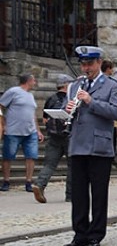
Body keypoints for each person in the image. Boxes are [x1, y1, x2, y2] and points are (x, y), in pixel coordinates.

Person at [62, 46, 117, 246]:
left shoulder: (112, 86)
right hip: (78, 143)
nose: (86, 68)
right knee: (78, 193)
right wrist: (66, 109)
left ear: (99, 63)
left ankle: (96, 233)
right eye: (83, 64)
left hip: (99, 145)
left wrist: (91, 101)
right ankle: (79, 233)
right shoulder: (75, 85)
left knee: (98, 193)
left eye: (89, 64)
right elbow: (67, 109)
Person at [32, 74, 75, 203]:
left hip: (53, 136)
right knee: (72, 166)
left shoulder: (50, 99)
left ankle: (39, 184)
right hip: (69, 137)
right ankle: (70, 195)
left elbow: (45, 119)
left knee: (49, 164)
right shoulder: (71, 99)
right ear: (67, 85)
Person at [0, 73, 44, 192]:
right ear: (28, 81)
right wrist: (3, 124)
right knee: (8, 157)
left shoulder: (30, 96)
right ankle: (6, 181)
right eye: (34, 80)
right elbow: (1, 105)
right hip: (13, 130)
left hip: (30, 132)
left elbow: (33, 114)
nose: (35, 83)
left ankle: (28, 182)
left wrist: (38, 130)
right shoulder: (13, 91)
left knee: (31, 157)